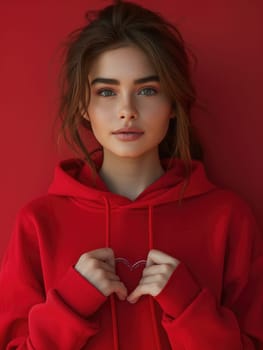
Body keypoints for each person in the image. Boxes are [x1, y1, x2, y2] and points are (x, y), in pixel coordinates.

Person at [0, 1, 262, 349]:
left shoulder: (228, 218)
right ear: (83, 106)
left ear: (173, 104)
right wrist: (71, 304)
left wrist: (188, 306)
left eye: (147, 90)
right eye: (107, 92)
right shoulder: (38, 223)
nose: (127, 111)